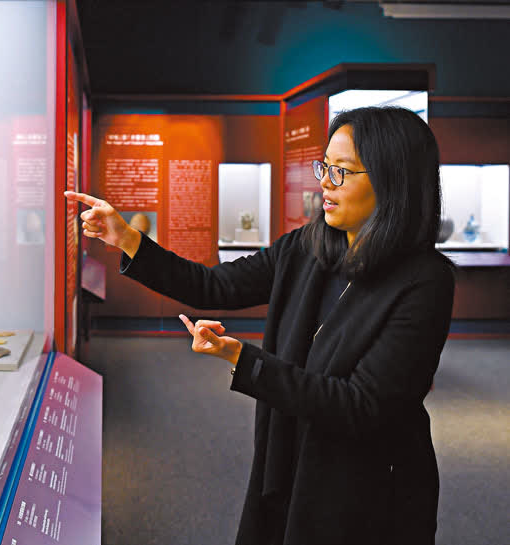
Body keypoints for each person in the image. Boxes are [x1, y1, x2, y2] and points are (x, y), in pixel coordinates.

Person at [65, 106, 454, 545]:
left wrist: (244, 360)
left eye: (342, 172)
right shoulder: (307, 248)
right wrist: (127, 239)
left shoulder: (425, 281)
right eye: (325, 167)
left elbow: (360, 406)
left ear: (393, 182)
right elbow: (214, 285)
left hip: (367, 485)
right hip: (291, 455)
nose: (325, 183)